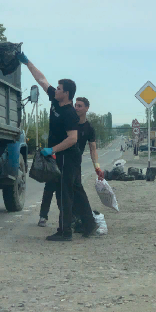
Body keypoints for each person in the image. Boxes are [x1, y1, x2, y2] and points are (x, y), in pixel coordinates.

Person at [16, 51, 97, 241]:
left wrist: (51, 149)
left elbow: (73, 139)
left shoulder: (69, 113)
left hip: (67, 157)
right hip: (60, 155)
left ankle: (65, 231)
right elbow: (42, 79)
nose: (55, 89)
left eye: (59, 88)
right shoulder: (55, 99)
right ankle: (89, 224)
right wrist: (27, 62)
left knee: (64, 194)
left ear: (66, 93)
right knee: (76, 190)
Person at [38, 97, 104, 228]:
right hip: (58, 159)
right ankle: (43, 216)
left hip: (74, 163)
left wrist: (97, 167)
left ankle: (74, 220)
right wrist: (52, 152)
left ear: (86, 108)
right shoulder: (68, 122)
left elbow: (93, 149)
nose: (76, 108)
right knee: (50, 187)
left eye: (80, 106)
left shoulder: (89, 128)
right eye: (76, 105)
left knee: (72, 191)